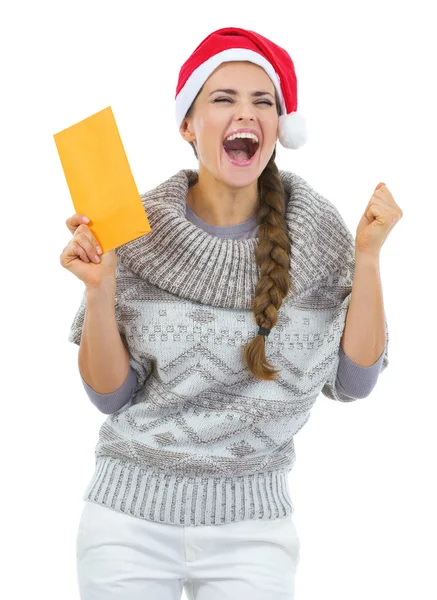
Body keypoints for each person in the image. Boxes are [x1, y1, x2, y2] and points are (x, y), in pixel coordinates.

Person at [60, 27, 391, 600]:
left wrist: (367, 258)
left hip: (253, 532)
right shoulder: (137, 227)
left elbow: (355, 381)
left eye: (263, 101)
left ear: (280, 131)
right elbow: (111, 397)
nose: (247, 112)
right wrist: (99, 290)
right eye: (224, 98)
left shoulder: (315, 231)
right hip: (127, 522)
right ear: (188, 125)